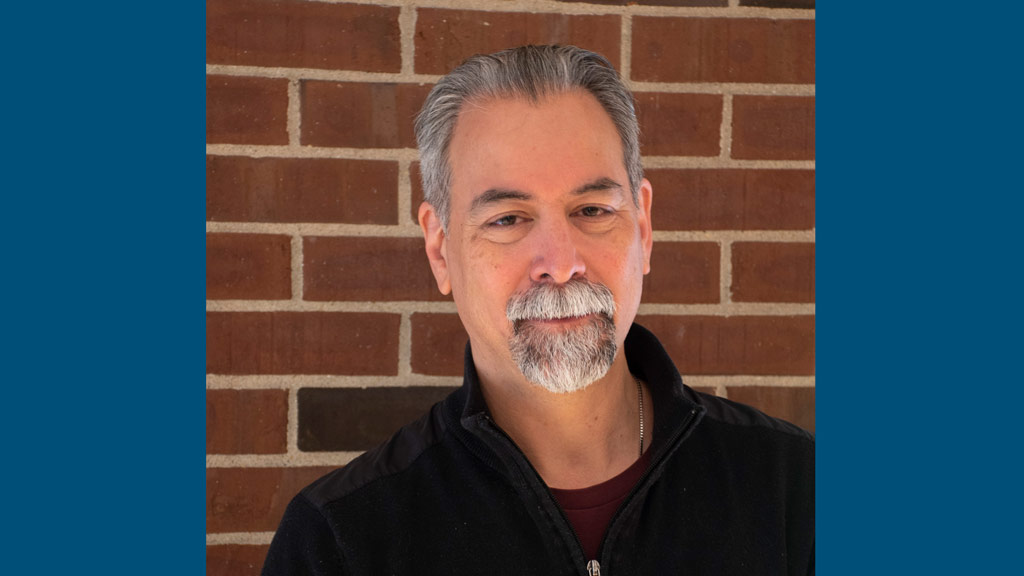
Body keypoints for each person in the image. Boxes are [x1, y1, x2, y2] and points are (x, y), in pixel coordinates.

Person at [261, 45, 813, 575]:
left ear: (642, 228)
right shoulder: (344, 540)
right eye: (507, 218)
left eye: (592, 209)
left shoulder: (797, 491)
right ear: (439, 249)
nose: (561, 262)